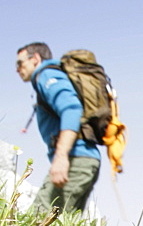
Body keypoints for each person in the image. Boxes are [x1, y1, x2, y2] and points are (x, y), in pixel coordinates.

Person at [15, 42, 101, 214]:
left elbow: (71, 108)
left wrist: (61, 157)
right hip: (85, 160)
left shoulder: (46, 75)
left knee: (38, 222)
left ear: (36, 58)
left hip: (75, 159)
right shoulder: (50, 75)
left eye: (20, 63)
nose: (17, 69)